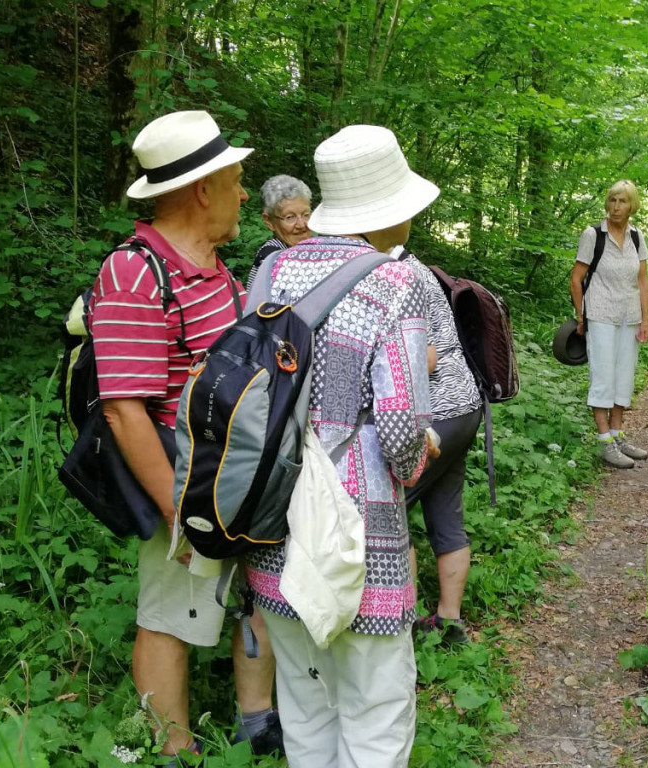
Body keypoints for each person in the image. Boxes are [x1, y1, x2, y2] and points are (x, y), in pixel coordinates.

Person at [89, 110, 281, 761]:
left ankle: (256, 722)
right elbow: (124, 410)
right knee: (172, 617)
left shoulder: (216, 267)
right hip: (183, 484)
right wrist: (179, 513)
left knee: (254, 592)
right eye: (236, 179)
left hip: (234, 480)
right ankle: (174, 750)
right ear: (203, 189)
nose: (245, 192)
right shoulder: (134, 274)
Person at [245, 124, 438, 767]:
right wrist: (416, 460)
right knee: (376, 702)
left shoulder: (271, 272)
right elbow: (401, 422)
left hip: (272, 514)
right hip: (360, 527)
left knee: (304, 702)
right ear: (390, 209)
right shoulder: (393, 282)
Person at [400, 249, 484, 646]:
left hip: (438, 414)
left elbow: (426, 358)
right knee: (445, 514)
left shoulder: (400, 275)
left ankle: (406, 626)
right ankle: (449, 624)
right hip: (464, 407)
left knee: (389, 511)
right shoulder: (417, 267)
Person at [569, 179, 648, 469]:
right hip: (601, 313)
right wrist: (581, 316)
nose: (616, 207)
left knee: (624, 377)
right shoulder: (593, 235)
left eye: (623, 201)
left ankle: (618, 435)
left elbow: (642, 280)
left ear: (632, 206)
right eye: (613, 200)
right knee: (603, 376)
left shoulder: (637, 236)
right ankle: (604, 441)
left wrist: (645, 319)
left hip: (630, 316)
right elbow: (576, 278)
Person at [247, 174, 313, 289]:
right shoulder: (272, 259)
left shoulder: (309, 248)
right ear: (269, 221)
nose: (302, 225)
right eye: (290, 217)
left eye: (306, 215)